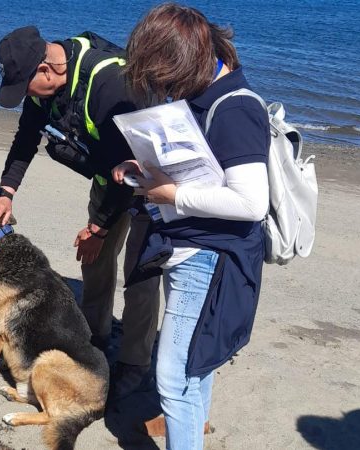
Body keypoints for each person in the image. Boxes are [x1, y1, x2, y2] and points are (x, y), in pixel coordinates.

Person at [114, 4, 270, 449]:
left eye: (165, 76)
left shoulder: (236, 108)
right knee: (195, 365)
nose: (163, 88)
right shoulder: (204, 95)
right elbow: (207, 168)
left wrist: (171, 195)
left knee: (175, 377)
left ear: (188, 59)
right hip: (190, 246)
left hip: (211, 256)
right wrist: (148, 170)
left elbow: (251, 202)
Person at [0, 26, 161, 399]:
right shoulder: (46, 88)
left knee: (139, 274)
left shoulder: (111, 85)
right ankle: (94, 338)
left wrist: (98, 227)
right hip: (109, 175)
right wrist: (4, 193)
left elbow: (127, 171)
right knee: (94, 262)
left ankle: (134, 361)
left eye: (24, 86)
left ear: (47, 70)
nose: (24, 96)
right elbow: (26, 137)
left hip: (152, 183)